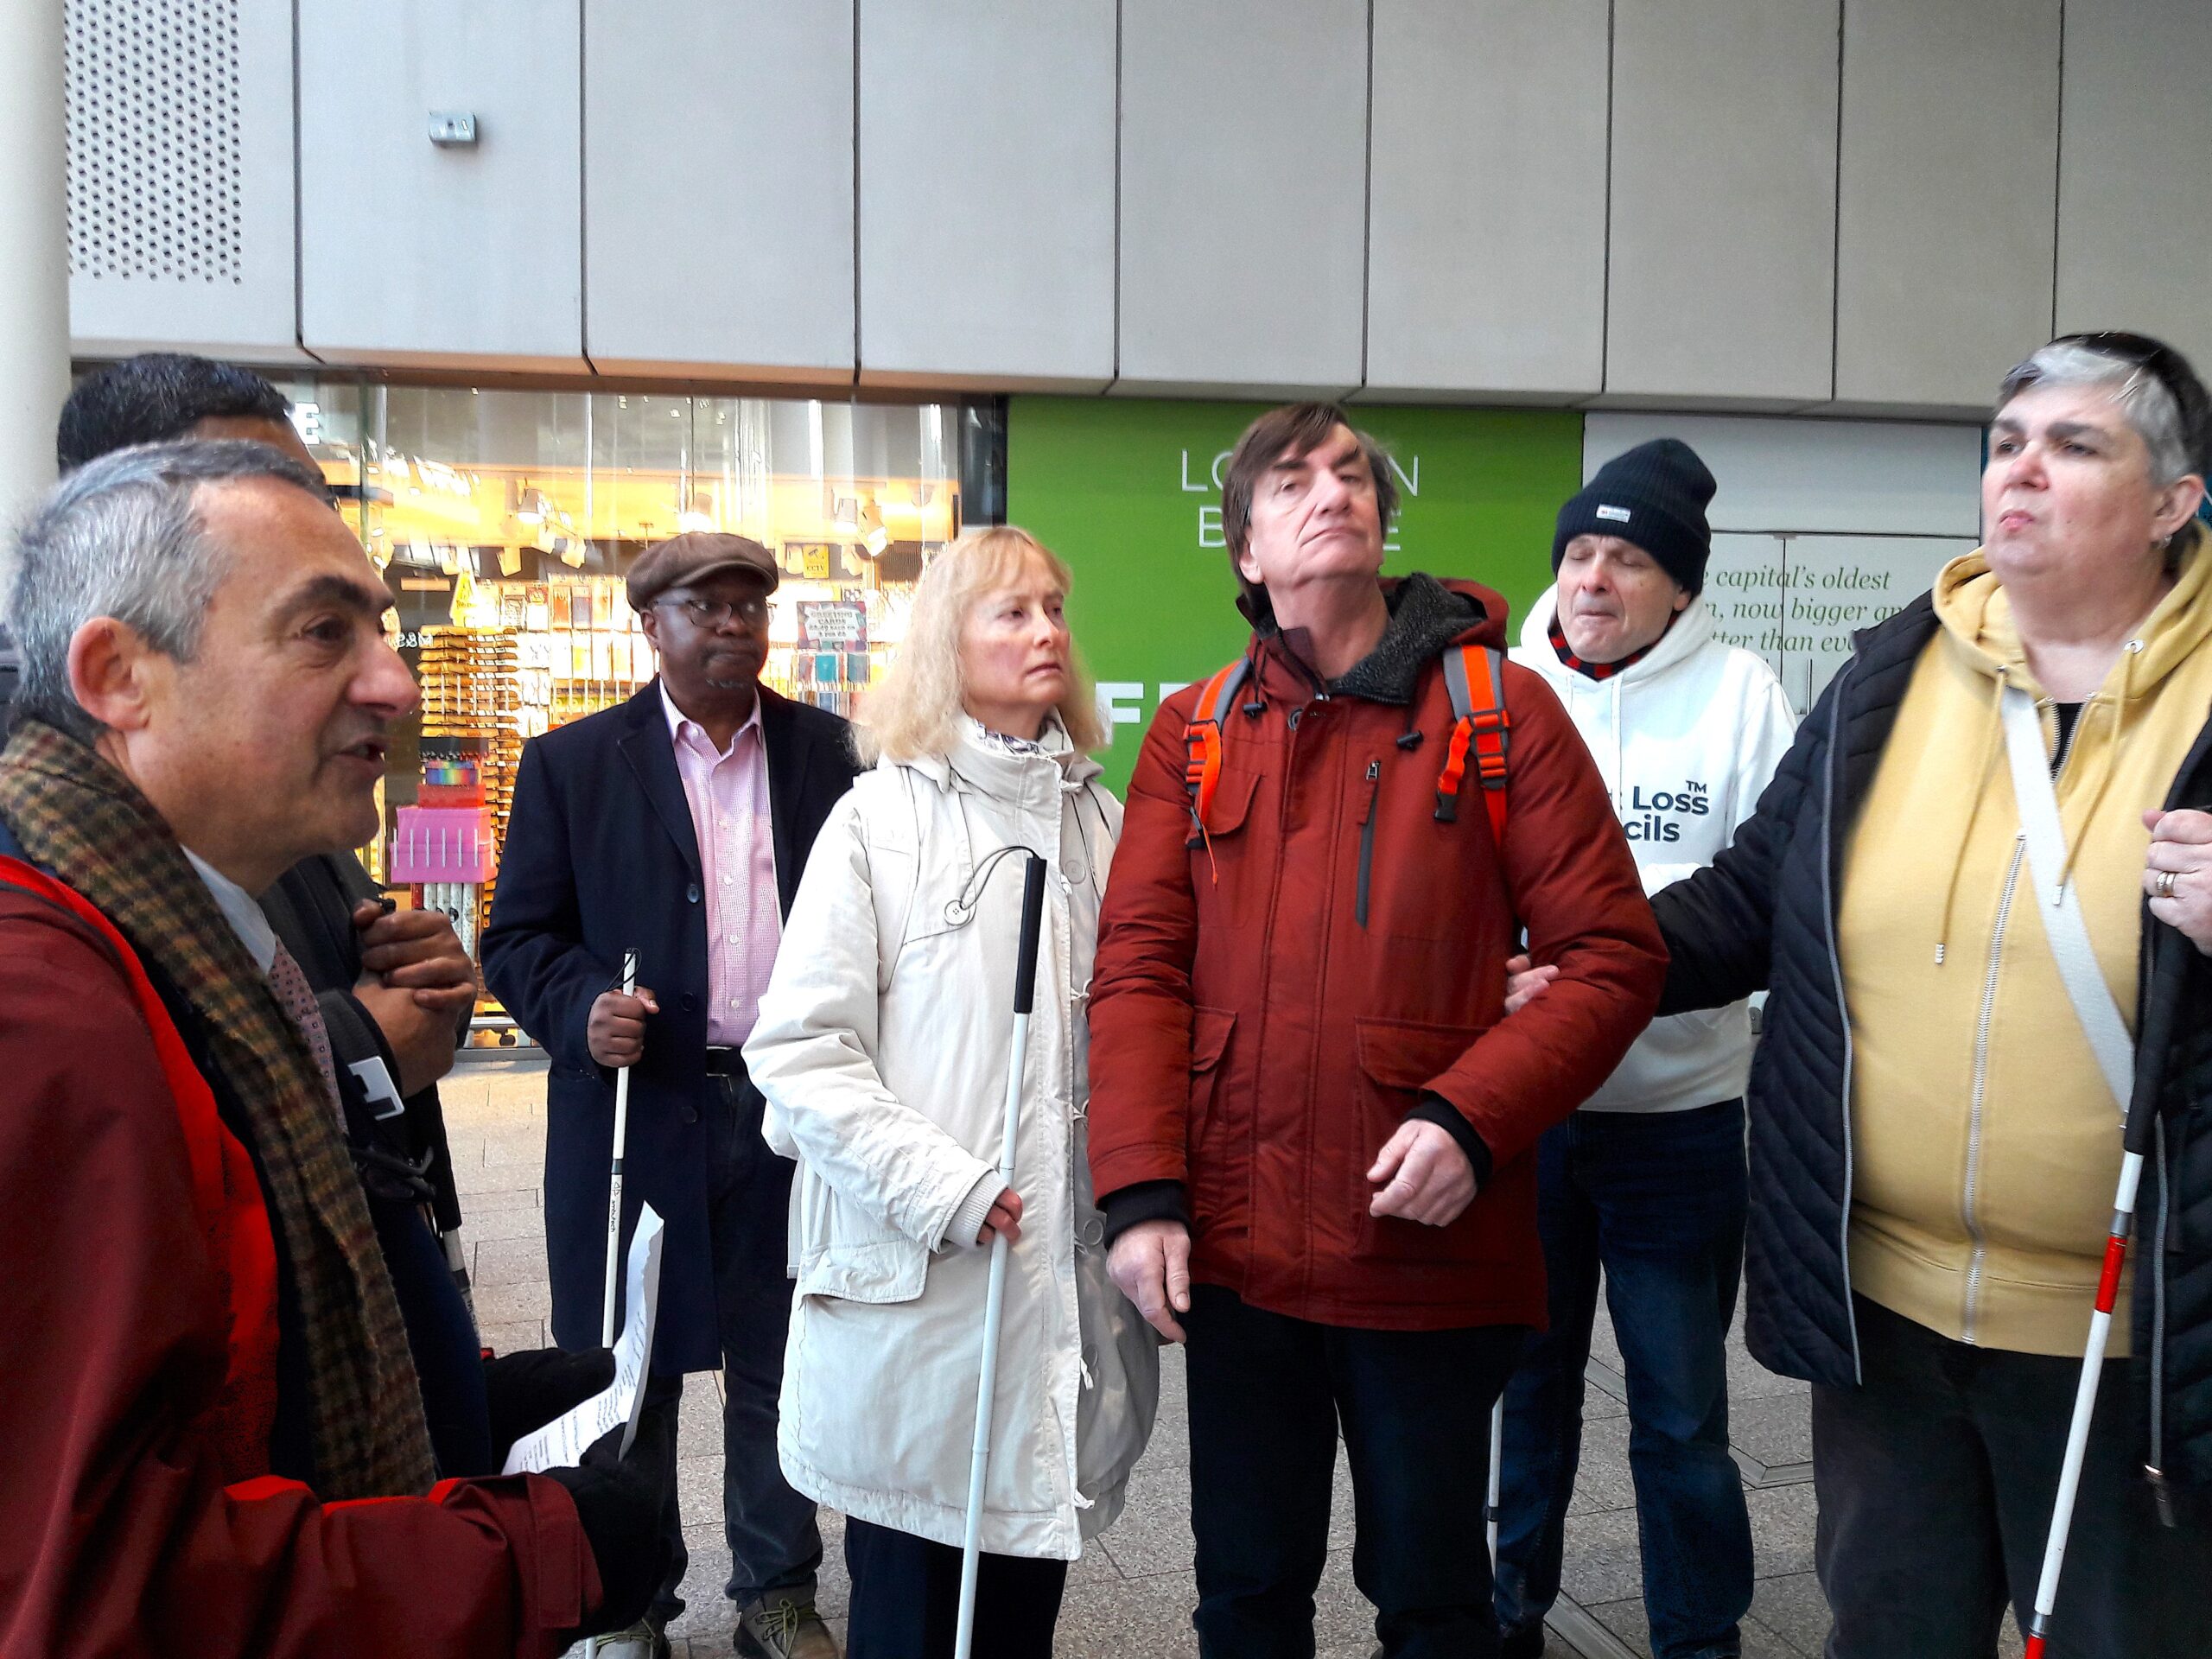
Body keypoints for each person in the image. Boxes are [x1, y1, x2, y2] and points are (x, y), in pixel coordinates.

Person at [1516, 334, 2212, 1656]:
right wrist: (1573, 964)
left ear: (2176, 502)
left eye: (2075, 447)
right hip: (1883, 1317)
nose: (2022, 473)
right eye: (2007, 443)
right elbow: (1746, 904)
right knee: (1891, 1633)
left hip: (2131, 1338)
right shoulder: (1894, 676)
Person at [0, 441, 665, 1656]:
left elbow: (217, 1391)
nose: (396, 684)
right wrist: (530, 1558)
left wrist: (451, 1391)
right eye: (322, 634)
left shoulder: (179, 947)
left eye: (383, 631)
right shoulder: (48, 1017)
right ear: (118, 674)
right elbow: (98, 1595)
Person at [1085, 402, 1668, 1658]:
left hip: (1423, 1250)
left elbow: (1613, 958)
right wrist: (1139, 1196)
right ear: (1246, 548)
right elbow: (1137, 970)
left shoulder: (1503, 713)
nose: (1332, 491)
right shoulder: (1191, 735)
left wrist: (1474, 1116)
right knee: (1245, 1591)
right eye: (1292, 481)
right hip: (1237, 1256)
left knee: (1435, 1595)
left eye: (1351, 474)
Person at [53, 354, 485, 1468]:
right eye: (320, 629)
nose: (394, 687)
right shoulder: (43, 983)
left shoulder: (266, 819)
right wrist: (366, 1049)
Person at [743, 528, 1160, 1659]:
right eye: (1012, 613)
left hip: (1055, 1300)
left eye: (1056, 609)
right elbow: (799, 1053)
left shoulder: (1103, 825)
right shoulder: (881, 821)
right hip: (926, 1287)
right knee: (915, 1603)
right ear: (947, 641)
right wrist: (945, 1185)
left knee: (1022, 1592)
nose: (1048, 633)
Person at [484, 531, 858, 1659]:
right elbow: (516, 938)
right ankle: (629, 1599)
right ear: (651, 625)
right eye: (708, 604)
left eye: (753, 604)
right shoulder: (572, 763)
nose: (736, 623)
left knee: (779, 1360)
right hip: (631, 1115)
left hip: (788, 1109)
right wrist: (579, 1005)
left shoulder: (830, 755)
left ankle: (778, 1592)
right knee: (626, 1368)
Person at [1492, 440, 1795, 1659]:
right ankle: (1507, 1616)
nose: (1594, 577)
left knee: (1679, 1413)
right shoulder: (1500, 689)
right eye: (1578, 552)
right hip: (1526, 1118)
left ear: (1679, 584)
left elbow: (1767, 902)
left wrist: (1598, 961)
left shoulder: (1743, 697)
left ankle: (1698, 1637)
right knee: (1525, 1391)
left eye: (1627, 556)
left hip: (1679, 1124)